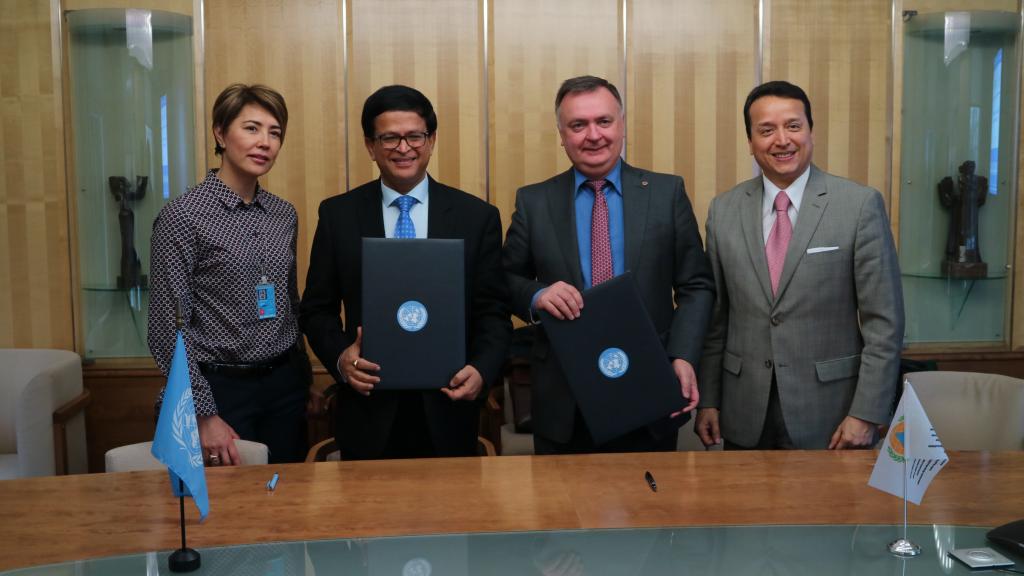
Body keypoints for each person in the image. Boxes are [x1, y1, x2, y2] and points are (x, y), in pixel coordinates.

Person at [502, 75, 715, 454]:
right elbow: (503, 280)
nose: (593, 135)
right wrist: (537, 296)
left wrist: (682, 355)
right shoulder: (535, 202)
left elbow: (696, 286)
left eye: (603, 121)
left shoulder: (667, 194)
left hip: (649, 385)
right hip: (564, 398)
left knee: (648, 508)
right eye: (578, 125)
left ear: (622, 125)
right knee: (559, 511)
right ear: (562, 135)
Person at [299, 85, 511, 460]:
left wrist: (482, 369)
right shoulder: (337, 215)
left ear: (431, 141)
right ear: (370, 145)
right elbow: (316, 309)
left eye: (415, 136)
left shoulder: (476, 217)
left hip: (449, 409)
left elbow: (492, 311)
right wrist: (340, 359)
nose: (403, 147)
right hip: (368, 411)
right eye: (389, 137)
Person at [696, 80, 904, 450]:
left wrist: (867, 413)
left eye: (793, 126)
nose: (782, 140)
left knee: (830, 509)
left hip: (832, 415)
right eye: (766, 130)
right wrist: (709, 399)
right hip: (744, 412)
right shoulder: (724, 211)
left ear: (810, 131)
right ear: (750, 142)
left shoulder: (858, 206)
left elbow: (884, 323)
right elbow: (716, 320)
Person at [148, 84, 311, 465]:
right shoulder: (184, 216)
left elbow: (290, 303)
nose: (265, 142)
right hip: (220, 388)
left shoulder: (283, 214)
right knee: (232, 513)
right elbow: (165, 329)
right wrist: (203, 413)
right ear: (220, 133)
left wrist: (303, 380)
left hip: (284, 384)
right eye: (251, 128)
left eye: (275, 132)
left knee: (287, 499)